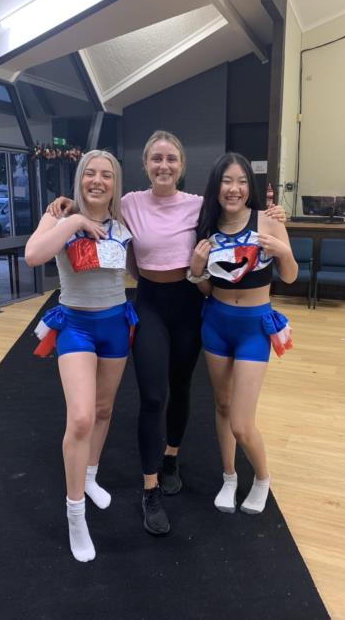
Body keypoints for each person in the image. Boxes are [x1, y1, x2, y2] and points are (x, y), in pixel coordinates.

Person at [47, 132, 286, 535]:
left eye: (171, 159)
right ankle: (150, 487)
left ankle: (171, 455)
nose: (164, 165)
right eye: (156, 158)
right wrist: (66, 205)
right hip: (151, 304)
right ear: (145, 165)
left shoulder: (198, 205)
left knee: (181, 386)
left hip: (189, 302)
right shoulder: (129, 203)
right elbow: (97, 203)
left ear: (181, 165)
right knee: (153, 395)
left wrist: (272, 215)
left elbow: (235, 212)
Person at [25, 150, 136, 562]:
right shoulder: (58, 216)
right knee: (82, 418)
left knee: (104, 410)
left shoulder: (123, 223)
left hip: (116, 324)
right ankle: (75, 514)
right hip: (75, 326)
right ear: (79, 179)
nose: (97, 180)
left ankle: (90, 476)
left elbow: (140, 265)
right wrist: (73, 222)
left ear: (115, 183)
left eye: (107, 174)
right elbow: (33, 255)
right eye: (90, 173)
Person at [188, 152, 297, 515]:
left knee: (241, 422)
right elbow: (206, 288)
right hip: (216, 323)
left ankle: (263, 478)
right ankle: (230, 476)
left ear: (250, 186)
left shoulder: (268, 221)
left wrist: (283, 251)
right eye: (226, 181)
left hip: (254, 327)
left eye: (241, 181)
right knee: (221, 405)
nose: (233, 189)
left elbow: (291, 276)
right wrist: (197, 270)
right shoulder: (207, 226)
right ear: (216, 186)